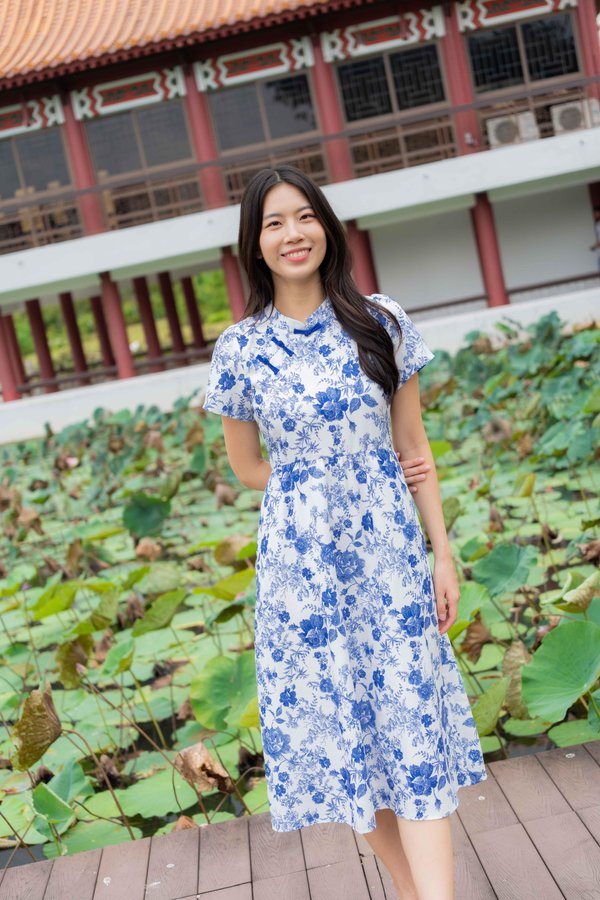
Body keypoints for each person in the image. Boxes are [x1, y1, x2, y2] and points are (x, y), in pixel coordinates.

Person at [202, 165, 487, 900]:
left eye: (304, 216)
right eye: (273, 223)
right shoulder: (240, 349)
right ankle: (414, 890)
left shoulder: (381, 320)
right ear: (255, 245)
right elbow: (247, 468)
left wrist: (441, 555)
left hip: (390, 557)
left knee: (413, 729)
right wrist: (317, 487)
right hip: (303, 570)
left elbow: (415, 450)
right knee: (350, 742)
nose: (292, 233)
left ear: (326, 227)